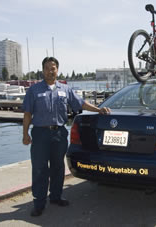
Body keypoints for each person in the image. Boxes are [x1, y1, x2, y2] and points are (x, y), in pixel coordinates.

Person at [22, 57, 110, 217]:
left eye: (53, 68)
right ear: (43, 70)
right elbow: (27, 113)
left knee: (58, 167)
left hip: (59, 133)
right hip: (40, 134)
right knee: (40, 169)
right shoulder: (33, 90)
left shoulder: (65, 89)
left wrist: (98, 110)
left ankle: (56, 197)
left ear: (57, 70)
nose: (50, 70)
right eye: (47, 68)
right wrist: (25, 134)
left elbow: (81, 103)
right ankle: (39, 203)